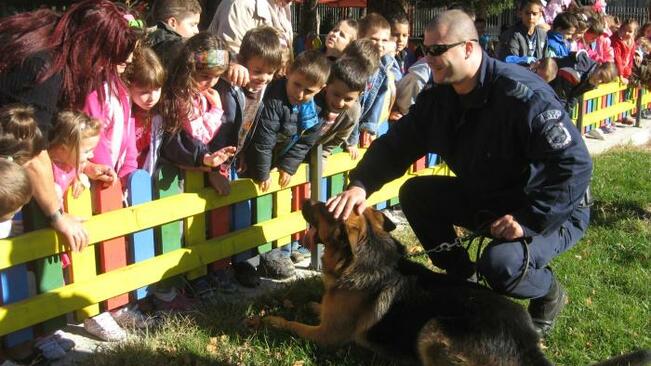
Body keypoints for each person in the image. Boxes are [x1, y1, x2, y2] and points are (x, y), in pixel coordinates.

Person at [327, 10, 593, 337]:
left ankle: (548, 293)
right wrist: (361, 184)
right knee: (417, 194)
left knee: (501, 265)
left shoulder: (521, 96)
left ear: (469, 47)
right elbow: (399, 143)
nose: (429, 58)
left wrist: (529, 220)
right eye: (424, 49)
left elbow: (574, 165)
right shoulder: (440, 97)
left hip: (550, 208)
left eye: (438, 50)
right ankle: (462, 281)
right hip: (493, 196)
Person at [0, 0, 140, 252]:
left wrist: (84, 165)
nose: (105, 70)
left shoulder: (53, 31)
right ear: (93, 48)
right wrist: (57, 216)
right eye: (107, 60)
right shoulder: (45, 70)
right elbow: (31, 152)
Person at [159, 32, 237, 195]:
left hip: (198, 172)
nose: (211, 82)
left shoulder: (200, 95)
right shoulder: (179, 97)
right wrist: (216, 110)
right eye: (205, 76)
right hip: (173, 177)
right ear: (188, 68)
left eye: (216, 76)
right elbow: (198, 136)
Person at [122, 46, 166, 174]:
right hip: (122, 176)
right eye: (144, 92)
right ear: (128, 85)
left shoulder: (159, 116)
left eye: (157, 89)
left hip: (147, 178)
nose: (152, 97)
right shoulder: (124, 114)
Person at [147, 0, 202, 70]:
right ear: (172, 23)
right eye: (192, 25)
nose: (197, 31)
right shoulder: (176, 46)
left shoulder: (149, 37)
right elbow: (201, 58)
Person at [498, 0, 547, 65]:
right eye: (527, 13)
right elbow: (511, 62)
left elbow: (545, 59)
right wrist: (525, 60)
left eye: (534, 14)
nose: (531, 17)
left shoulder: (543, 34)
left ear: (540, 15)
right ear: (520, 13)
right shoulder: (513, 34)